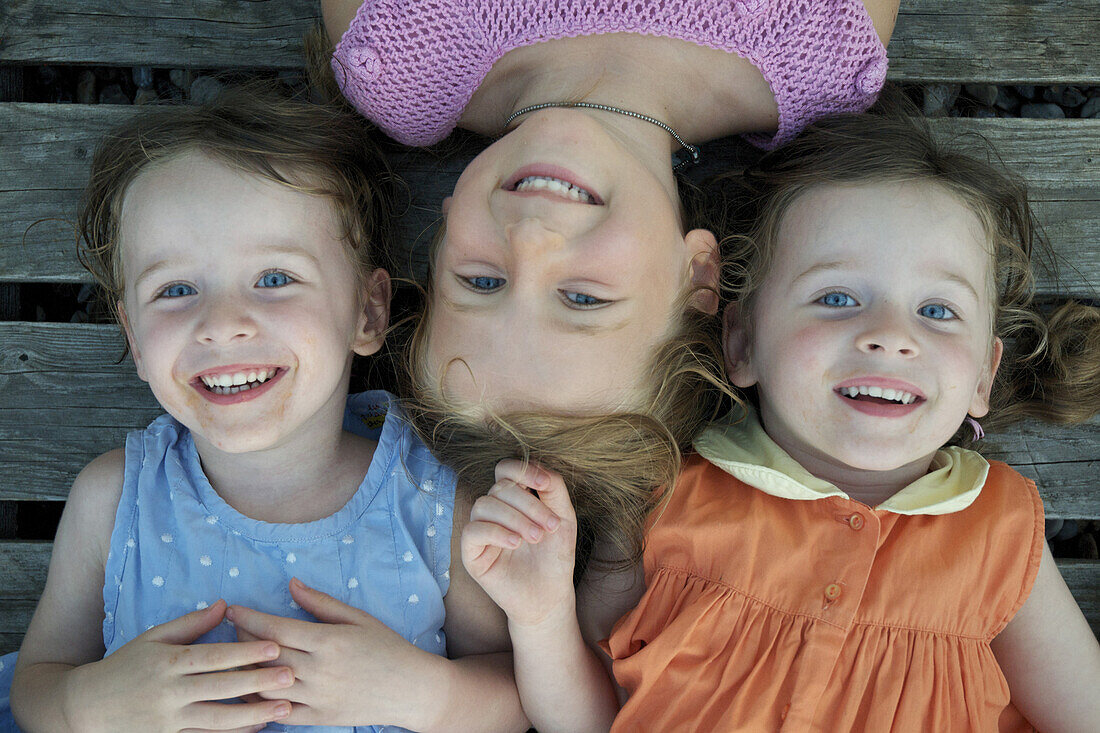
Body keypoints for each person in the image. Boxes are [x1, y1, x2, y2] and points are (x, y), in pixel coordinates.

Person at [460, 110, 1100, 731]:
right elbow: (595, 716)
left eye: (938, 310)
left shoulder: (1001, 529)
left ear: (983, 376)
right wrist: (541, 617)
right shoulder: (662, 501)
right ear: (742, 342)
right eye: (837, 298)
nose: (889, 337)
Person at [320, 0, 902, 607]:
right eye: (582, 297)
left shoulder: (401, 56)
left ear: (442, 237)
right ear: (699, 274)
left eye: (482, 282)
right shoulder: (817, 48)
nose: (532, 238)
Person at [1, 84, 527, 733]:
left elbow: (519, 687)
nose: (221, 324)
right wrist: (87, 704)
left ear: (367, 312)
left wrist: (423, 692)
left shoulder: (436, 505)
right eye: (176, 289)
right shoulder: (113, 501)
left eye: (275, 278)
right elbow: (38, 679)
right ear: (135, 339)